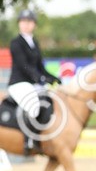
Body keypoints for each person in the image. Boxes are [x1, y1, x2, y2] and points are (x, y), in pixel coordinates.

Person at [7, 8, 62, 154]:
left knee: (51, 101)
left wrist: (53, 78)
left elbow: (40, 67)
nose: (26, 24)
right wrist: (41, 79)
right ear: (19, 24)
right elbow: (24, 66)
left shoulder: (34, 43)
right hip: (19, 83)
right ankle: (29, 141)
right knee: (34, 106)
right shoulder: (16, 43)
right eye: (23, 21)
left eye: (29, 22)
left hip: (33, 83)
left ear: (34, 25)